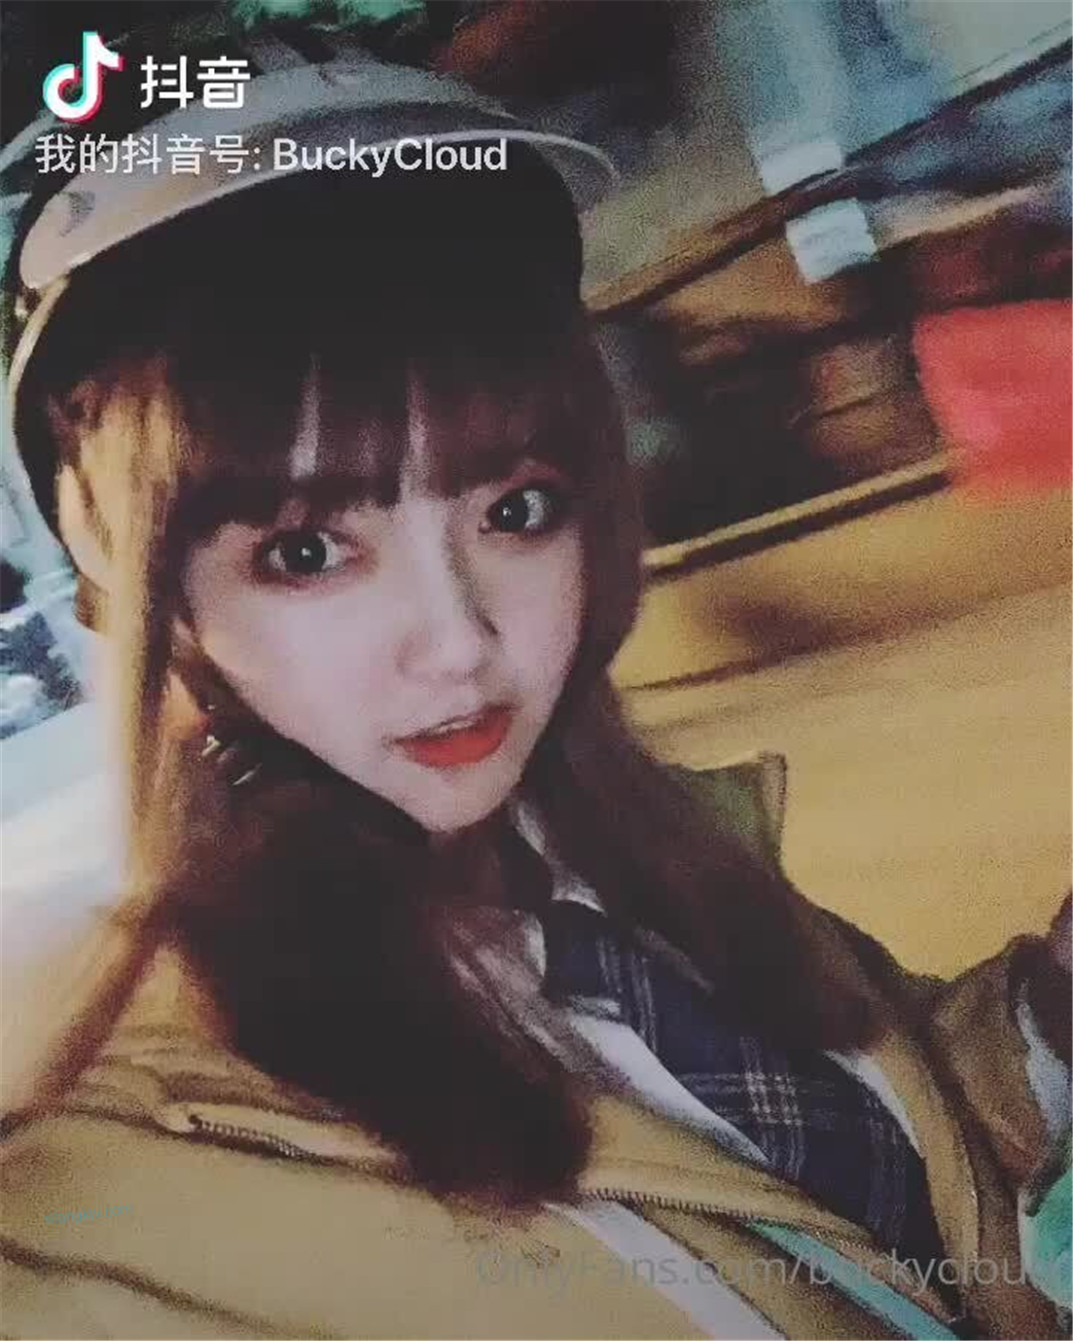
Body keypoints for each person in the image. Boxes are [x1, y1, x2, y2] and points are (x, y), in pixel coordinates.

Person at [1, 42, 1069, 1341]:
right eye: (307, 549)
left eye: (514, 509)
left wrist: (1046, 1019)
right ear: (145, 579)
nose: (459, 644)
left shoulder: (631, 855)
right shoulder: (133, 1196)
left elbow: (882, 1189)